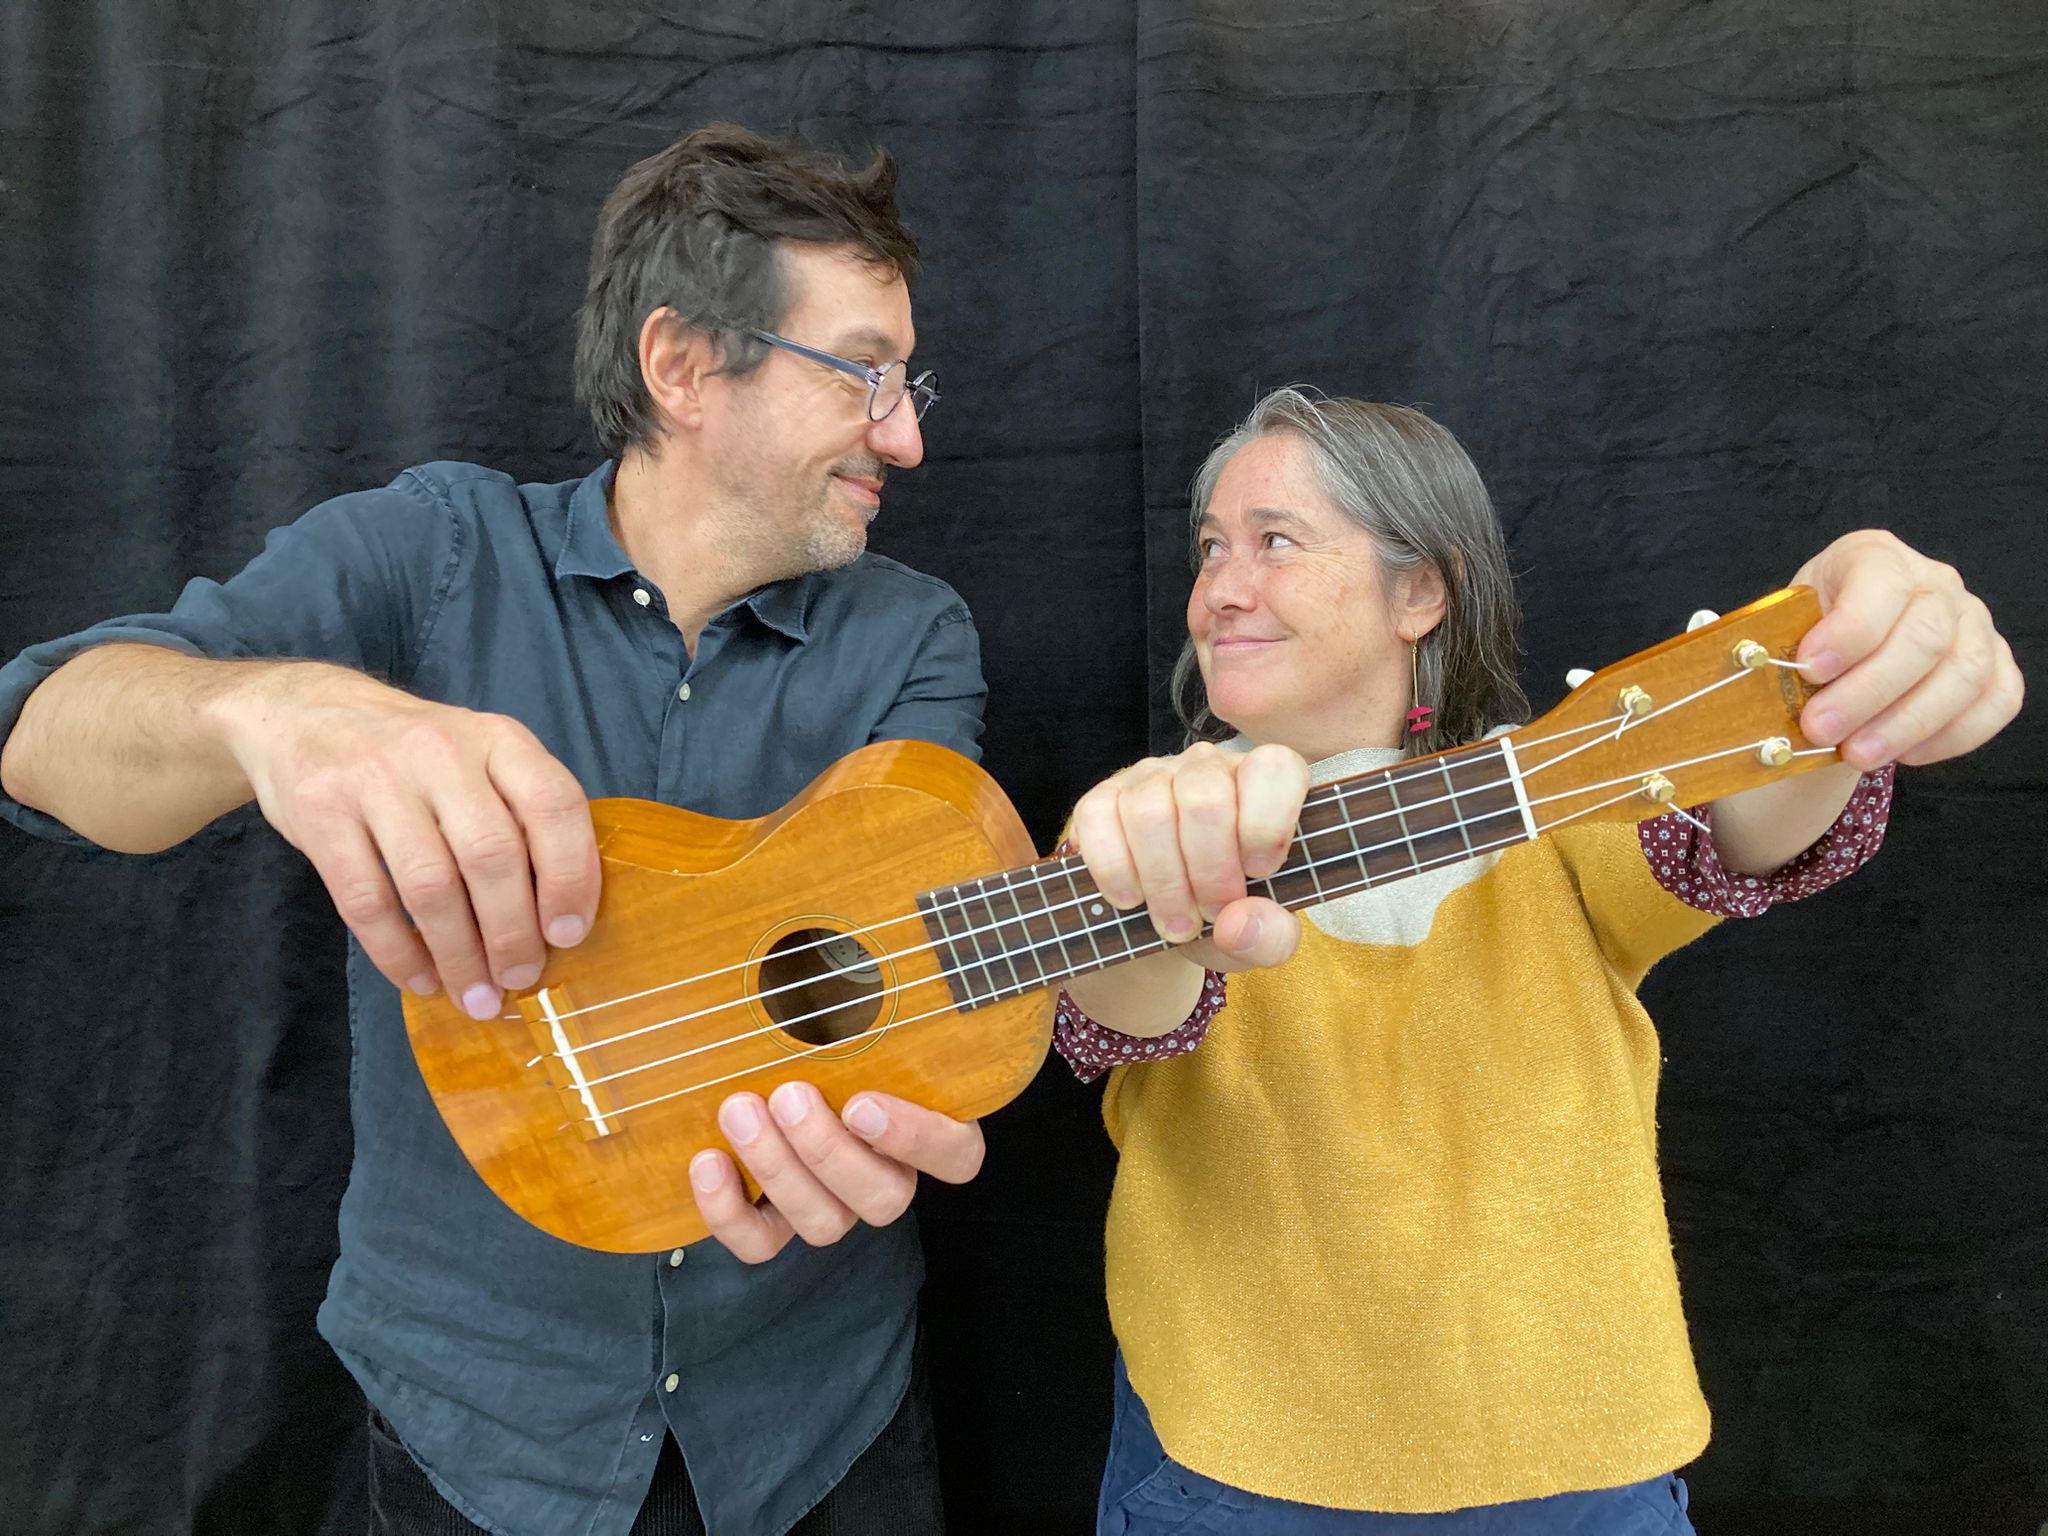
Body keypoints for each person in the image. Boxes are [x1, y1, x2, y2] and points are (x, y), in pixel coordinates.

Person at [0, 125, 988, 1536]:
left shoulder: (915, 635)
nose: (907, 434)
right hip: (481, 1431)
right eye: (864, 373)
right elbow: (36, 735)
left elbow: (917, 961)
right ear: (684, 366)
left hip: (815, 1424)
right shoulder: (435, 555)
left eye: (909, 380)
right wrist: (271, 712)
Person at [1053, 389, 2023, 1535]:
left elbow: (1749, 819)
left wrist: (1843, 646)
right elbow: (1121, 1015)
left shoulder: (1562, 798)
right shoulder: (1152, 825)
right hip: (1230, 1474)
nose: (1219, 587)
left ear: (1421, 591)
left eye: (1273, 540)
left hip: (1572, 1479)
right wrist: (1140, 889)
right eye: (1210, 548)